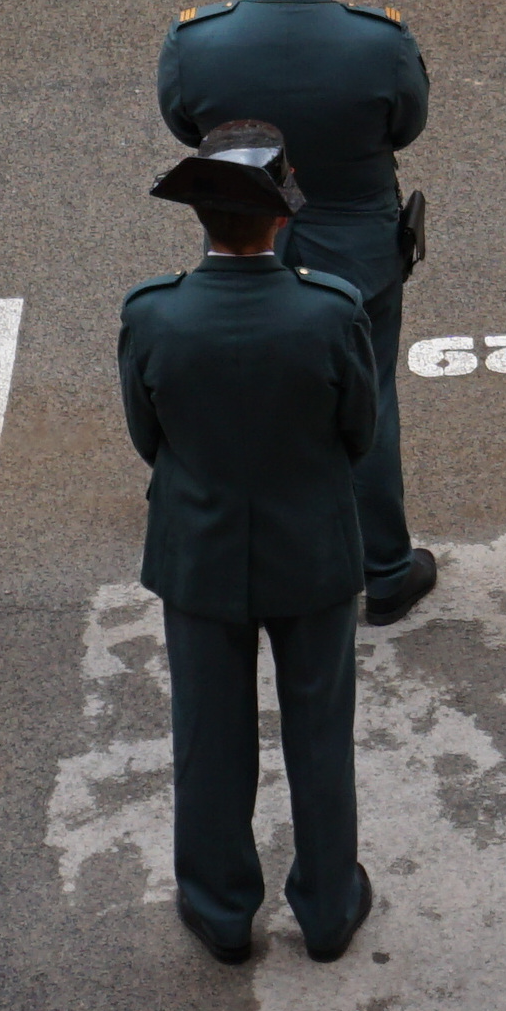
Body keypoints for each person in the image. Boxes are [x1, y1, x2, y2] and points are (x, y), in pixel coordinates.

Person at [120, 126, 388, 965]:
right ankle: (328, 905)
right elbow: (360, 433)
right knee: (319, 731)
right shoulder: (330, 310)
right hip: (311, 549)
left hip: (198, 552)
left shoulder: (154, 313)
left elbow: (146, 434)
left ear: (200, 219)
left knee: (208, 733)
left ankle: (221, 906)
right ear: (279, 220)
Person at [159, 0, 439, 621]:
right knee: (368, 400)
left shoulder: (198, 39)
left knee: (240, 395)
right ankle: (383, 568)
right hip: (360, 254)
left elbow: (186, 125)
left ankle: (249, 558)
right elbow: (406, 126)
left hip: (245, 245)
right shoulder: (379, 40)